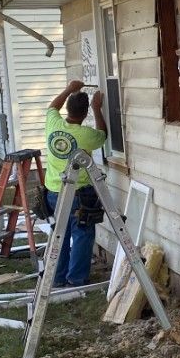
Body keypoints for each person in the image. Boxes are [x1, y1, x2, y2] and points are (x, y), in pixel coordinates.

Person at [45, 80, 107, 287]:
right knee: (82, 232)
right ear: (84, 114)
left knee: (60, 233)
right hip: (78, 192)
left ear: (68, 109)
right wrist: (97, 109)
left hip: (53, 191)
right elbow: (103, 136)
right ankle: (76, 279)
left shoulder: (54, 124)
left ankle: (57, 277)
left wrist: (69, 89)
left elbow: (53, 107)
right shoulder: (85, 135)